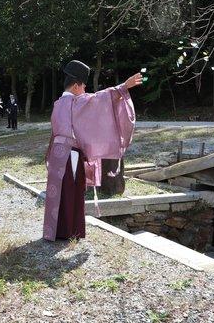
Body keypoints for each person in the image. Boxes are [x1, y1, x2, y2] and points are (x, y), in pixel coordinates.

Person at [43, 60, 142, 241]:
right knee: (72, 191)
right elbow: (100, 98)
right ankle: (70, 232)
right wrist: (123, 87)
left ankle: (54, 232)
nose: (85, 90)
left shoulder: (58, 104)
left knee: (57, 191)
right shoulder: (76, 102)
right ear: (76, 85)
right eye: (83, 86)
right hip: (71, 154)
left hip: (57, 154)